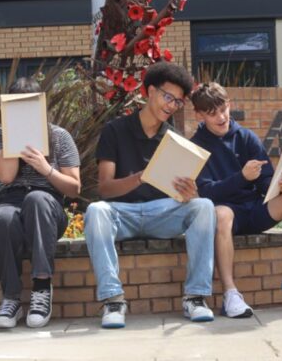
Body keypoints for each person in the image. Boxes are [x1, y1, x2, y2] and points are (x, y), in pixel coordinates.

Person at [84, 62, 216, 329]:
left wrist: (190, 193)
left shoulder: (175, 139)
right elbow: (105, 188)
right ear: (150, 91)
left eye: (178, 102)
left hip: (161, 213)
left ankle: (196, 297)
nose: (171, 106)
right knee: (96, 210)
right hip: (123, 214)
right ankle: (113, 300)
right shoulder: (115, 130)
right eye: (168, 97)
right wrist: (138, 178)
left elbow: (183, 192)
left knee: (204, 206)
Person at [189, 83, 282, 316]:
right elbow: (206, 193)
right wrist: (241, 177)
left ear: (229, 104)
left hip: (254, 210)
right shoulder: (196, 146)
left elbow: (265, 183)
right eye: (213, 114)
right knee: (221, 213)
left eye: (223, 109)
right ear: (199, 115)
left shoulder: (246, 137)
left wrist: (280, 185)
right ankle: (230, 293)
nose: (222, 117)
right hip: (226, 216)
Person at [0, 77, 81, 329]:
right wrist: (16, 139)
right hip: (10, 200)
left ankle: (41, 288)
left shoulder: (60, 136)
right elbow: (6, 176)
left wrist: (46, 168)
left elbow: (74, 187)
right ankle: (11, 298)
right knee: (2, 218)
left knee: (36, 198)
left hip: (47, 204)